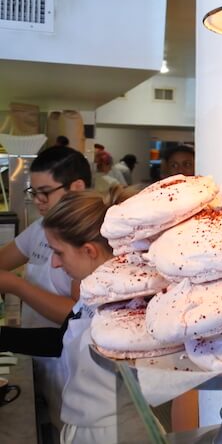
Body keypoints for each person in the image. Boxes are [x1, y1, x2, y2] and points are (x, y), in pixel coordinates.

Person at [0, 191, 139, 443]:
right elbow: (62, 338)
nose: (54, 263)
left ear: (88, 250)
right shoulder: (91, 289)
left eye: (59, 252)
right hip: (83, 423)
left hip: (113, 432)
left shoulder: (125, 302)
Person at [0, 145, 91, 430]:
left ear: (76, 187)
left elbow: (77, 314)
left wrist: (16, 285)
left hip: (68, 365)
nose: (38, 201)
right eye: (33, 192)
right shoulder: (41, 227)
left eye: (45, 192)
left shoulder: (89, 237)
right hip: (39, 351)